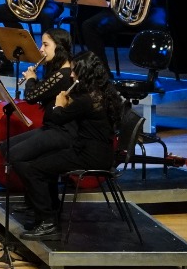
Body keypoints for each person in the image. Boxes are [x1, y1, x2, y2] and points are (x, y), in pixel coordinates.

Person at [8, 52, 124, 239]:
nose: (71, 75)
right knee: (41, 161)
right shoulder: (102, 94)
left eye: (74, 71)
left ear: (84, 73)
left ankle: (48, 222)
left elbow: (56, 118)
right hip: (99, 153)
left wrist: (59, 104)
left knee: (32, 168)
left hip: (88, 156)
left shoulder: (86, 101)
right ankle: (47, 214)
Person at [21, 29, 75, 106]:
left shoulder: (62, 74)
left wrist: (30, 79)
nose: (41, 49)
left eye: (45, 45)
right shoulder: (62, 69)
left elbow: (30, 97)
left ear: (59, 46)